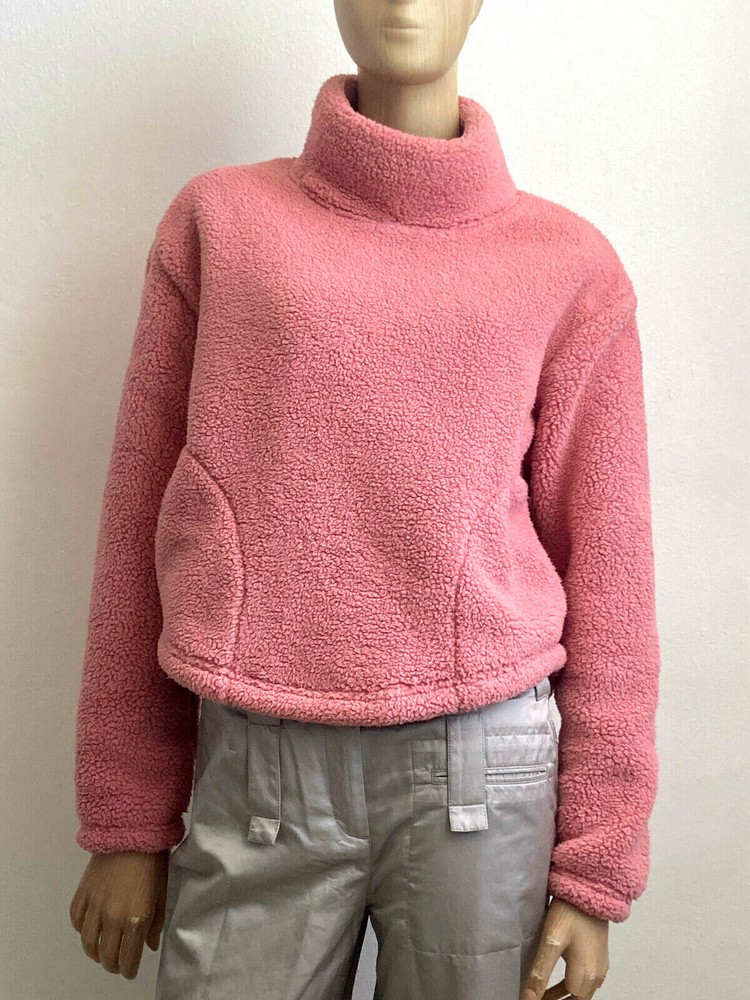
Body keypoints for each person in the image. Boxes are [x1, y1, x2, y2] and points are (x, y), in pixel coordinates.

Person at [69, 3, 661, 999]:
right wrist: (128, 815)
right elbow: (138, 523)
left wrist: (599, 863)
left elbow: (611, 574)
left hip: (485, 769)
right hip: (257, 762)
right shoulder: (221, 226)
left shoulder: (570, 267)